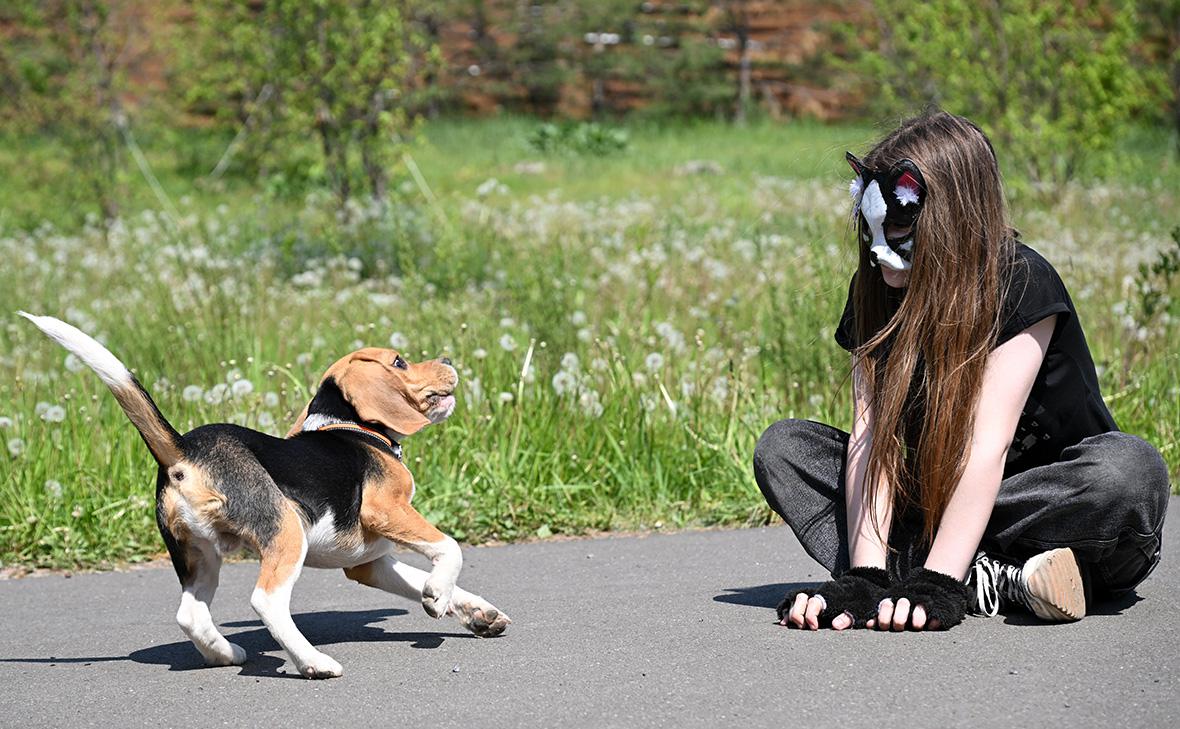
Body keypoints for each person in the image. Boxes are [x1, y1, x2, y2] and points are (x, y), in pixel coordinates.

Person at [753, 111, 1170, 632]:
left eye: (900, 226)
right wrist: (863, 577)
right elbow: (871, 440)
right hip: (937, 503)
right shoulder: (879, 289)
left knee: (1129, 470)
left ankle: (951, 572)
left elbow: (984, 446)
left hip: (1055, 512)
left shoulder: (1019, 281)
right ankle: (998, 579)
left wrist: (938, 584)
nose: (879, 247)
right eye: (870, 225)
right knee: (785, 449)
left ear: (951, 219)